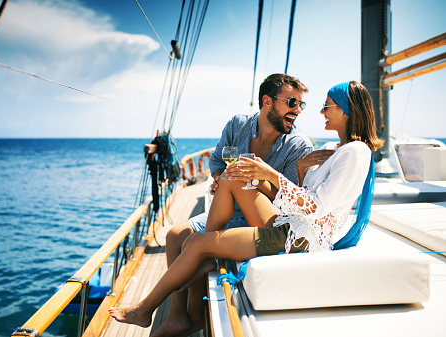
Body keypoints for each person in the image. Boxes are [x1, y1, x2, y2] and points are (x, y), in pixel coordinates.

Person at [109, 80, 384, 331]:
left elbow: (316, 208)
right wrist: (296, 170)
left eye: (326, 106)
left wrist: (270, 174)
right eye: (298, 103)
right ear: (267, 101)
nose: (318, 112)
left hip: (297, 238)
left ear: (346, 111)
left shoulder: (356, 152)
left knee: (196, 244)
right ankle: (194, 275)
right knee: (233, 174)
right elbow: (301, 198)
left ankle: (145, 309)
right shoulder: (333, 147)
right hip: (289, 222)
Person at [156, 73, 315, 336]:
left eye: (301, 105)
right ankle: (179, 316)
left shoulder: (299, 145)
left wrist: (254, 179)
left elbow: (287, 201)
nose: (297, 110)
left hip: (257, 216)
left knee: (192, 245)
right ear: (267, 101)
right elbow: (218, 161)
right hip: (226, 206)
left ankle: (194, 301)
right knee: (174, 236)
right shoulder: (238, 125)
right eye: (291, 102)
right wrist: (221, 180)